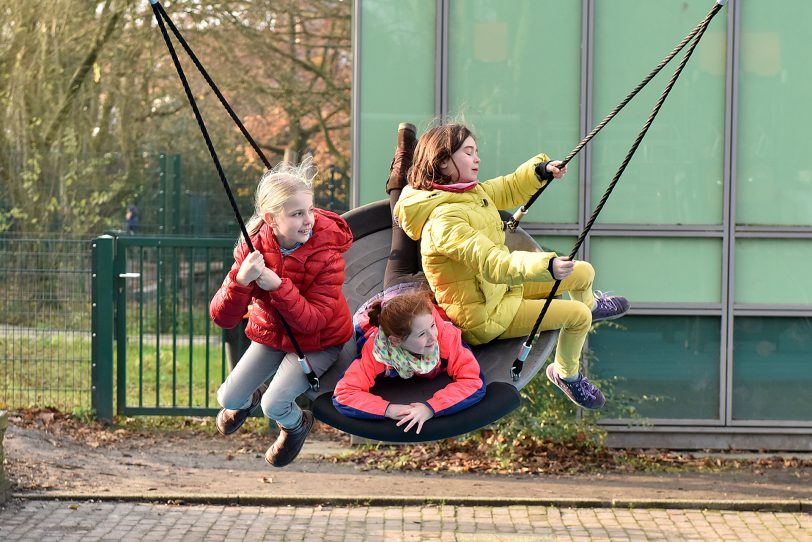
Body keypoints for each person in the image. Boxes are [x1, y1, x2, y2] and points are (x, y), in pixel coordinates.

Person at [394, 122, 630, 410]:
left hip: (498, 291)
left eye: (476, 151)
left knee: (583, 272)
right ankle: (565, 373)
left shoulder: (467, 193)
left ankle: (591, 303)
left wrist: (540, 171)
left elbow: (507, 187)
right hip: (484, 315)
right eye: (468, 152)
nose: (477, 158)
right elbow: (494, 263)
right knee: (577, 316)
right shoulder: (444, 222)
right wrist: (547, 265)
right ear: (443, 162)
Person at [210, 158, 353, 467]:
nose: (308, 221)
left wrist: (278, 286)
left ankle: (296, 424)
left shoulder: (327, 253)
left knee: (275, 405)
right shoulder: (252, 248)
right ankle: (251, 394)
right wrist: (240, 282)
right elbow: (223, 317)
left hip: (319, 341)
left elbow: (313, 320)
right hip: (272, 335)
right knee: (229, 399)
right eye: (297, 214)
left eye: (310, 211)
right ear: (271, 219)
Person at [332, 288, 485, 434]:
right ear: (396, 341)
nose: (433, 337)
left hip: (409, 295)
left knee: (407, 274)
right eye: (421, 335)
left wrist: (431, 408)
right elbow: (344, 394)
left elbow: (472, 381)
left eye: (432, 326)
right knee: (397, 272)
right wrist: (388, 409)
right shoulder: (378, 353)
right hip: (382, 309)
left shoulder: (445, 338)